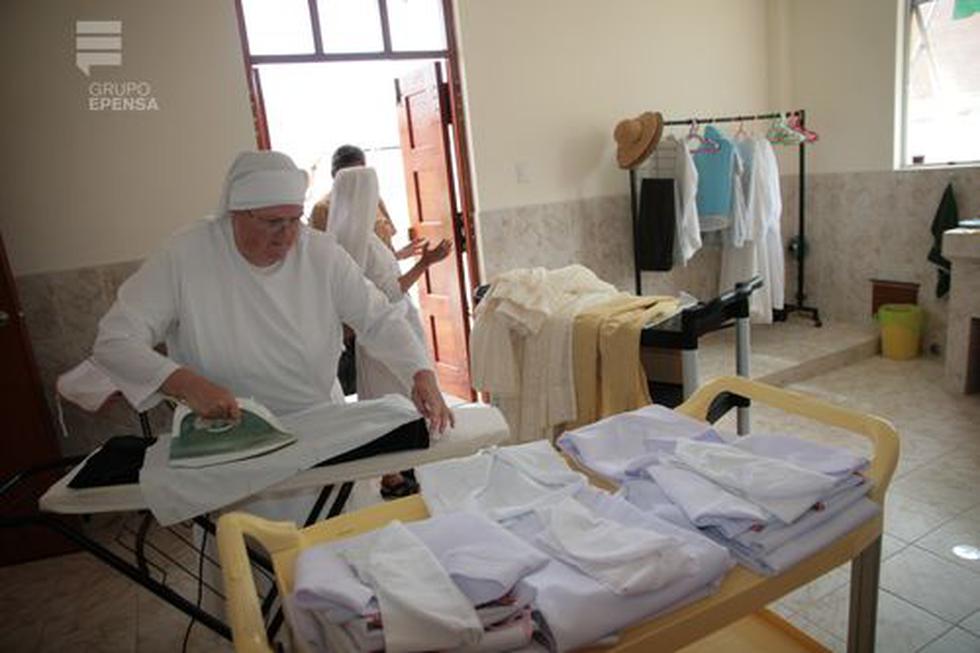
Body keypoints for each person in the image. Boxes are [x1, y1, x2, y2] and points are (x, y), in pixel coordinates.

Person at [93, 149, 454, 444]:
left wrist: (419, 371)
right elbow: (114, 341)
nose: (286, 236)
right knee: (247, 533)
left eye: (294, 220)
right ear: (235, 215)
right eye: (271, 223)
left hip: (320, 426)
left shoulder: (320, 253)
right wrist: (186, 384)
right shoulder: (185, 256)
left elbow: (377, 317)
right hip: (228, 435)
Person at [310, 144, 424, 260]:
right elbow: (322, 260)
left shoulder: (374, 200)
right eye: (350, 175)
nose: (357, 180)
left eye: (361, 173)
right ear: (335, 175)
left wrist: (400, 255)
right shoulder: (322, 209)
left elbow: (386, 252)